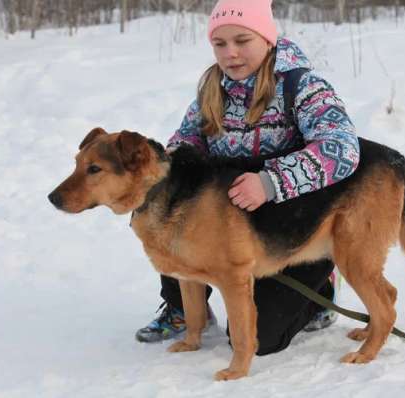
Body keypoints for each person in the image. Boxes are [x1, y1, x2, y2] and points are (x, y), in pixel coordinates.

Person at [136, 0, 360, 356]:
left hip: (287, 227)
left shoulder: (301, 86)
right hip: (226, 217)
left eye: (242, 40)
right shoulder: (212, 88)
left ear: (268, 38)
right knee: (168, 205)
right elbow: (185, 143)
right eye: (220, 44)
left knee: (263, 339)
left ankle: (319, 293)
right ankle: (183, 306)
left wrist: (272, 181)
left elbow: (343, 147)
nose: (231, 53)